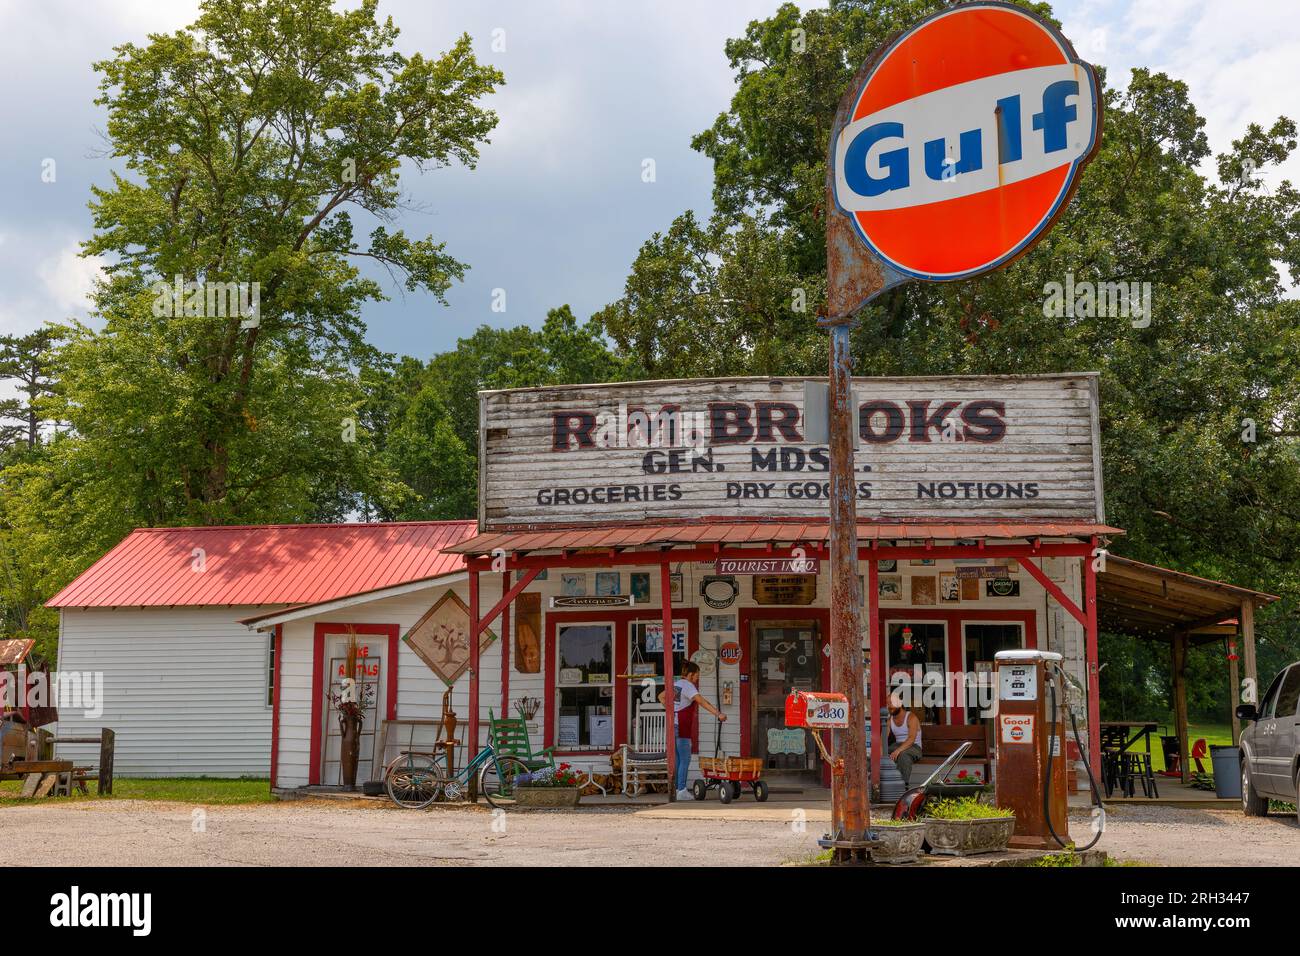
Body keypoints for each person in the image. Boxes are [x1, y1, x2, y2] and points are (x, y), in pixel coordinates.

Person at [659, 660, 726, 800]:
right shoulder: (688, 686)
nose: (697, 678)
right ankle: (682, 790)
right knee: (685, 758)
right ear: (690, 674)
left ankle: (677, 789)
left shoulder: (676, 684)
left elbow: (661, 696)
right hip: (682, 726)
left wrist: (672, 710)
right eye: (697, 675)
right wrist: (718, 714)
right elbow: (702, 702)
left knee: (677, 759)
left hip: (672, 725)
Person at [888, 692, 923, 786]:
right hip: (897, 745)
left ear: (900, 704)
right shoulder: (889, 719)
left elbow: (911, 739)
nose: (889, 706)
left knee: (903, 755)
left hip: (914, 747)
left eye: (891, 703)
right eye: (888, 703)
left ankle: (902, 785)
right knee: (879, 753)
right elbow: (882, 739)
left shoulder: (911, 717)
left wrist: (897, 751)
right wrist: (879, 753)